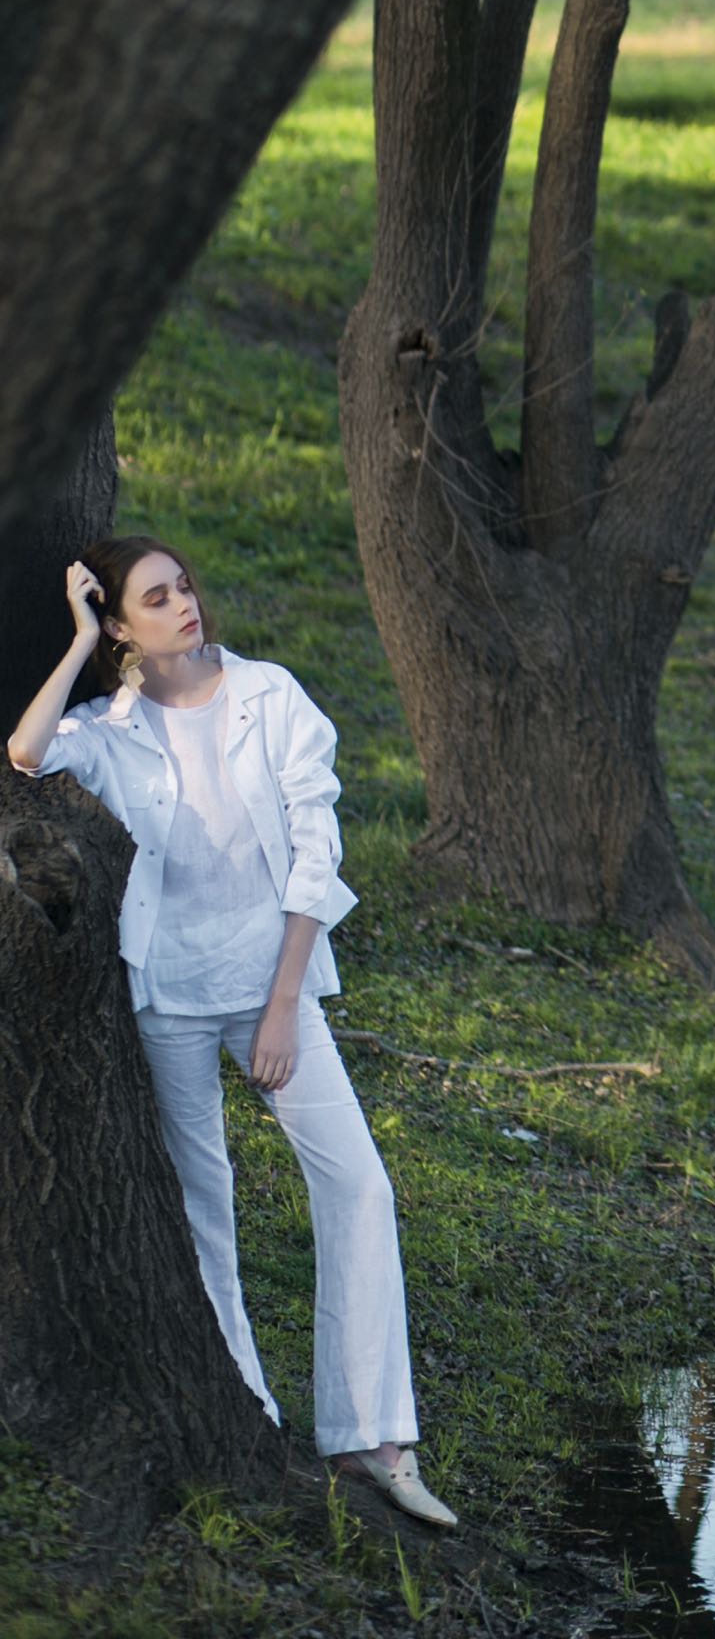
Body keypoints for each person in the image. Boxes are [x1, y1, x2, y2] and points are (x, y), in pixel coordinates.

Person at [6, 537, 457, 1529]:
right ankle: (248, 1410)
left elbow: (313, 851)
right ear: (123, 625)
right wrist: (80, 643)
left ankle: (373, 1438)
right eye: (155, 600)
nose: (185, 607)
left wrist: (286, 1005)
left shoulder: (271, 698)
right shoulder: (107, 724)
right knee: (204, 1211)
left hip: (270, 980)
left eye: (185, 589)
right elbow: (25, 752)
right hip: (165, 991)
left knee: (359, 1181)